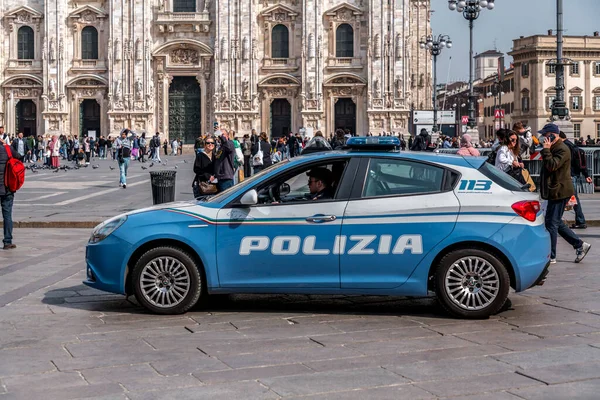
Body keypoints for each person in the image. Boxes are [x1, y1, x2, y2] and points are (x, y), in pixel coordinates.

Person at [538, 123, 590, 264]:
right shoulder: (556, 147)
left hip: (559, 190)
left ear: (553, 135)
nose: (543, 138)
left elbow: (552, 165)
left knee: (552, 224)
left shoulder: (562, 149)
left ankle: (552, 255)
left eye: (546, 135)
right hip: (555, 190)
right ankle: (579, 245)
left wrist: (546, 150)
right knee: (555, 222)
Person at [559, 131, 592, 229]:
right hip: (574, 174)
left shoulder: (565, 147)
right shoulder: (572, 145)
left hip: (569, 175)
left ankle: (580, 220)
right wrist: (586, 174)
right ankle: (579, 220)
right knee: (570, 198)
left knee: (571, 198)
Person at [0, 137, 20, 250]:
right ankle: (7, 241)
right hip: (7, 188)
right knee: (7, 215)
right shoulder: (7, 149)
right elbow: (19, 157)